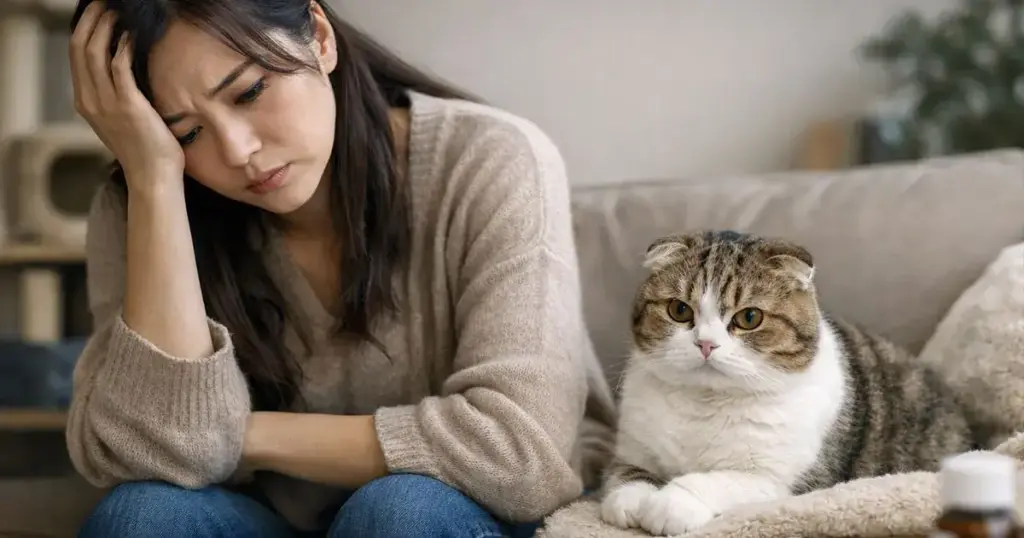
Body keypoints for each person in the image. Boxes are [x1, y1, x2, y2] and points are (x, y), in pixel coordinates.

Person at [64, 0, 618, 537]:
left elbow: (522, 454)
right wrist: (156, 182)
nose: (238, 150)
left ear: (320, 37)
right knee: (143, 517)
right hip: (270, 518)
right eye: (185, 132)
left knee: (400, 510)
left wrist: (232, 435)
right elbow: (132, 451)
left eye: (250, 91)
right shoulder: (146, 200)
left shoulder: (492, 158)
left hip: (460, 516)